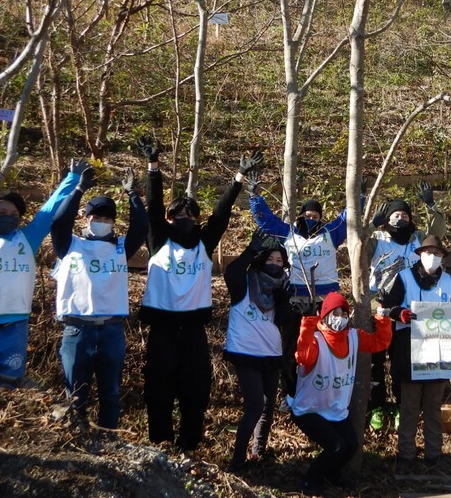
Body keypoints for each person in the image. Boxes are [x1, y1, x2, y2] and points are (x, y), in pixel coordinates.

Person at [137, 135, 257, 451]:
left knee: (196, 390)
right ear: (168, 220)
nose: (184, 220)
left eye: (191, 215)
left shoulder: (203, 244)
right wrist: (153, 166)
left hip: (193, 332)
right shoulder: (159, 241)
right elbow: (154, 206)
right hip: (162, 330)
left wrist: (238, 179)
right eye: (178, 215)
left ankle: (189, 446)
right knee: (158, 390)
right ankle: (161, 445)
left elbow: (220, 215)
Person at [0, 143, 82, 385]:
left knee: (8, 387)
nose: (8, 216)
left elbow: (48, 211)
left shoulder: (27, 239)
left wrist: (72, 178)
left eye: (14, 214)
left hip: (13, 325)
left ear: (20, 220)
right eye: (2, 211)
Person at [50, 166, 148, 428]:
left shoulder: (120, 247)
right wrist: (78, 189)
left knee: (111, 395)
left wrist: (132, 194)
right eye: (97, 216)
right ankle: (77, 440)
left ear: (114, 222)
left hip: (111, 331)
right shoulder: (69, 245)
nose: (102, 221)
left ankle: (109, 442)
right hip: (76, 330)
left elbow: (142, 226)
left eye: (107, 218)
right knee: (75, 395)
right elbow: (59, 221)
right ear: (86, 219)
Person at [246, 167, 354, 398]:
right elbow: (267, 223)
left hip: (325, 301)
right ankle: (290, 392)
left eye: (315, 216)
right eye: (307, 215)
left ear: (320, 218)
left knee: (325, 346)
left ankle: (321, 390)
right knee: (291, 348)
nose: (311, 218)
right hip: (295, 299)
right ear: (301, 215)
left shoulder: (330, 233)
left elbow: (347, 218)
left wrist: (360, 196)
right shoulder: (289, 233)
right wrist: (255, 196)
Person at [290, 291, 392, 496]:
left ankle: (332, 475)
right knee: (336, 446)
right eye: (335, 313)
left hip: (336, 409)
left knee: (351, 446)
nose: (340, 318)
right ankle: (310, 480)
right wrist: (308, 322)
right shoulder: (317, 339)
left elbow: (380, 343)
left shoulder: (353, 337)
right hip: (309, 409)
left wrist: (382, 314)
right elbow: (304, 356)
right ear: (325, 315)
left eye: (344, 314)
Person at [377, 234, 451, 470]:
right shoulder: (404, 278)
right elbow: (385, 308)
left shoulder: (448, 281)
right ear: (419, 254)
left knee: (434, 406)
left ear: (443, 257)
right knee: (409, 406)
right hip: (409, 351)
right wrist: (399, 313)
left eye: (437, 254)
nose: (432, 257)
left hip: (439, 351)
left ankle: (434, 454)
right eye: (428, 253)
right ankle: (406, 454)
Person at [365, 181, 445, 430]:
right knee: (375, 363)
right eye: (396, 215)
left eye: (405, 215)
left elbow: (438, 232)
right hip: (376, 307)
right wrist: (371, 224)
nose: (400, 219)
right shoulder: (377, 238)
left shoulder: (417, 240)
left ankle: (401, 405)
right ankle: (377, 405)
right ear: (388, 219)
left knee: (401, 363)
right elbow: (354, 241)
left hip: (407, 312)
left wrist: (431, 206)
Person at [223, 245, 293, 471]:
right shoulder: (245, 281)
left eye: (280, 260)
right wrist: (249, 251)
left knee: (268, 405)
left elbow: (282, 321)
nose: (275, 263)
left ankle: (258, 451)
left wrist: (284, 302)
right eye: (270, 259)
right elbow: (229, 273)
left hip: (271, 352)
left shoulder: (283, 287)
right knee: (255, 405)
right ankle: (237, 460)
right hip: (245, 351)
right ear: (262, 261)